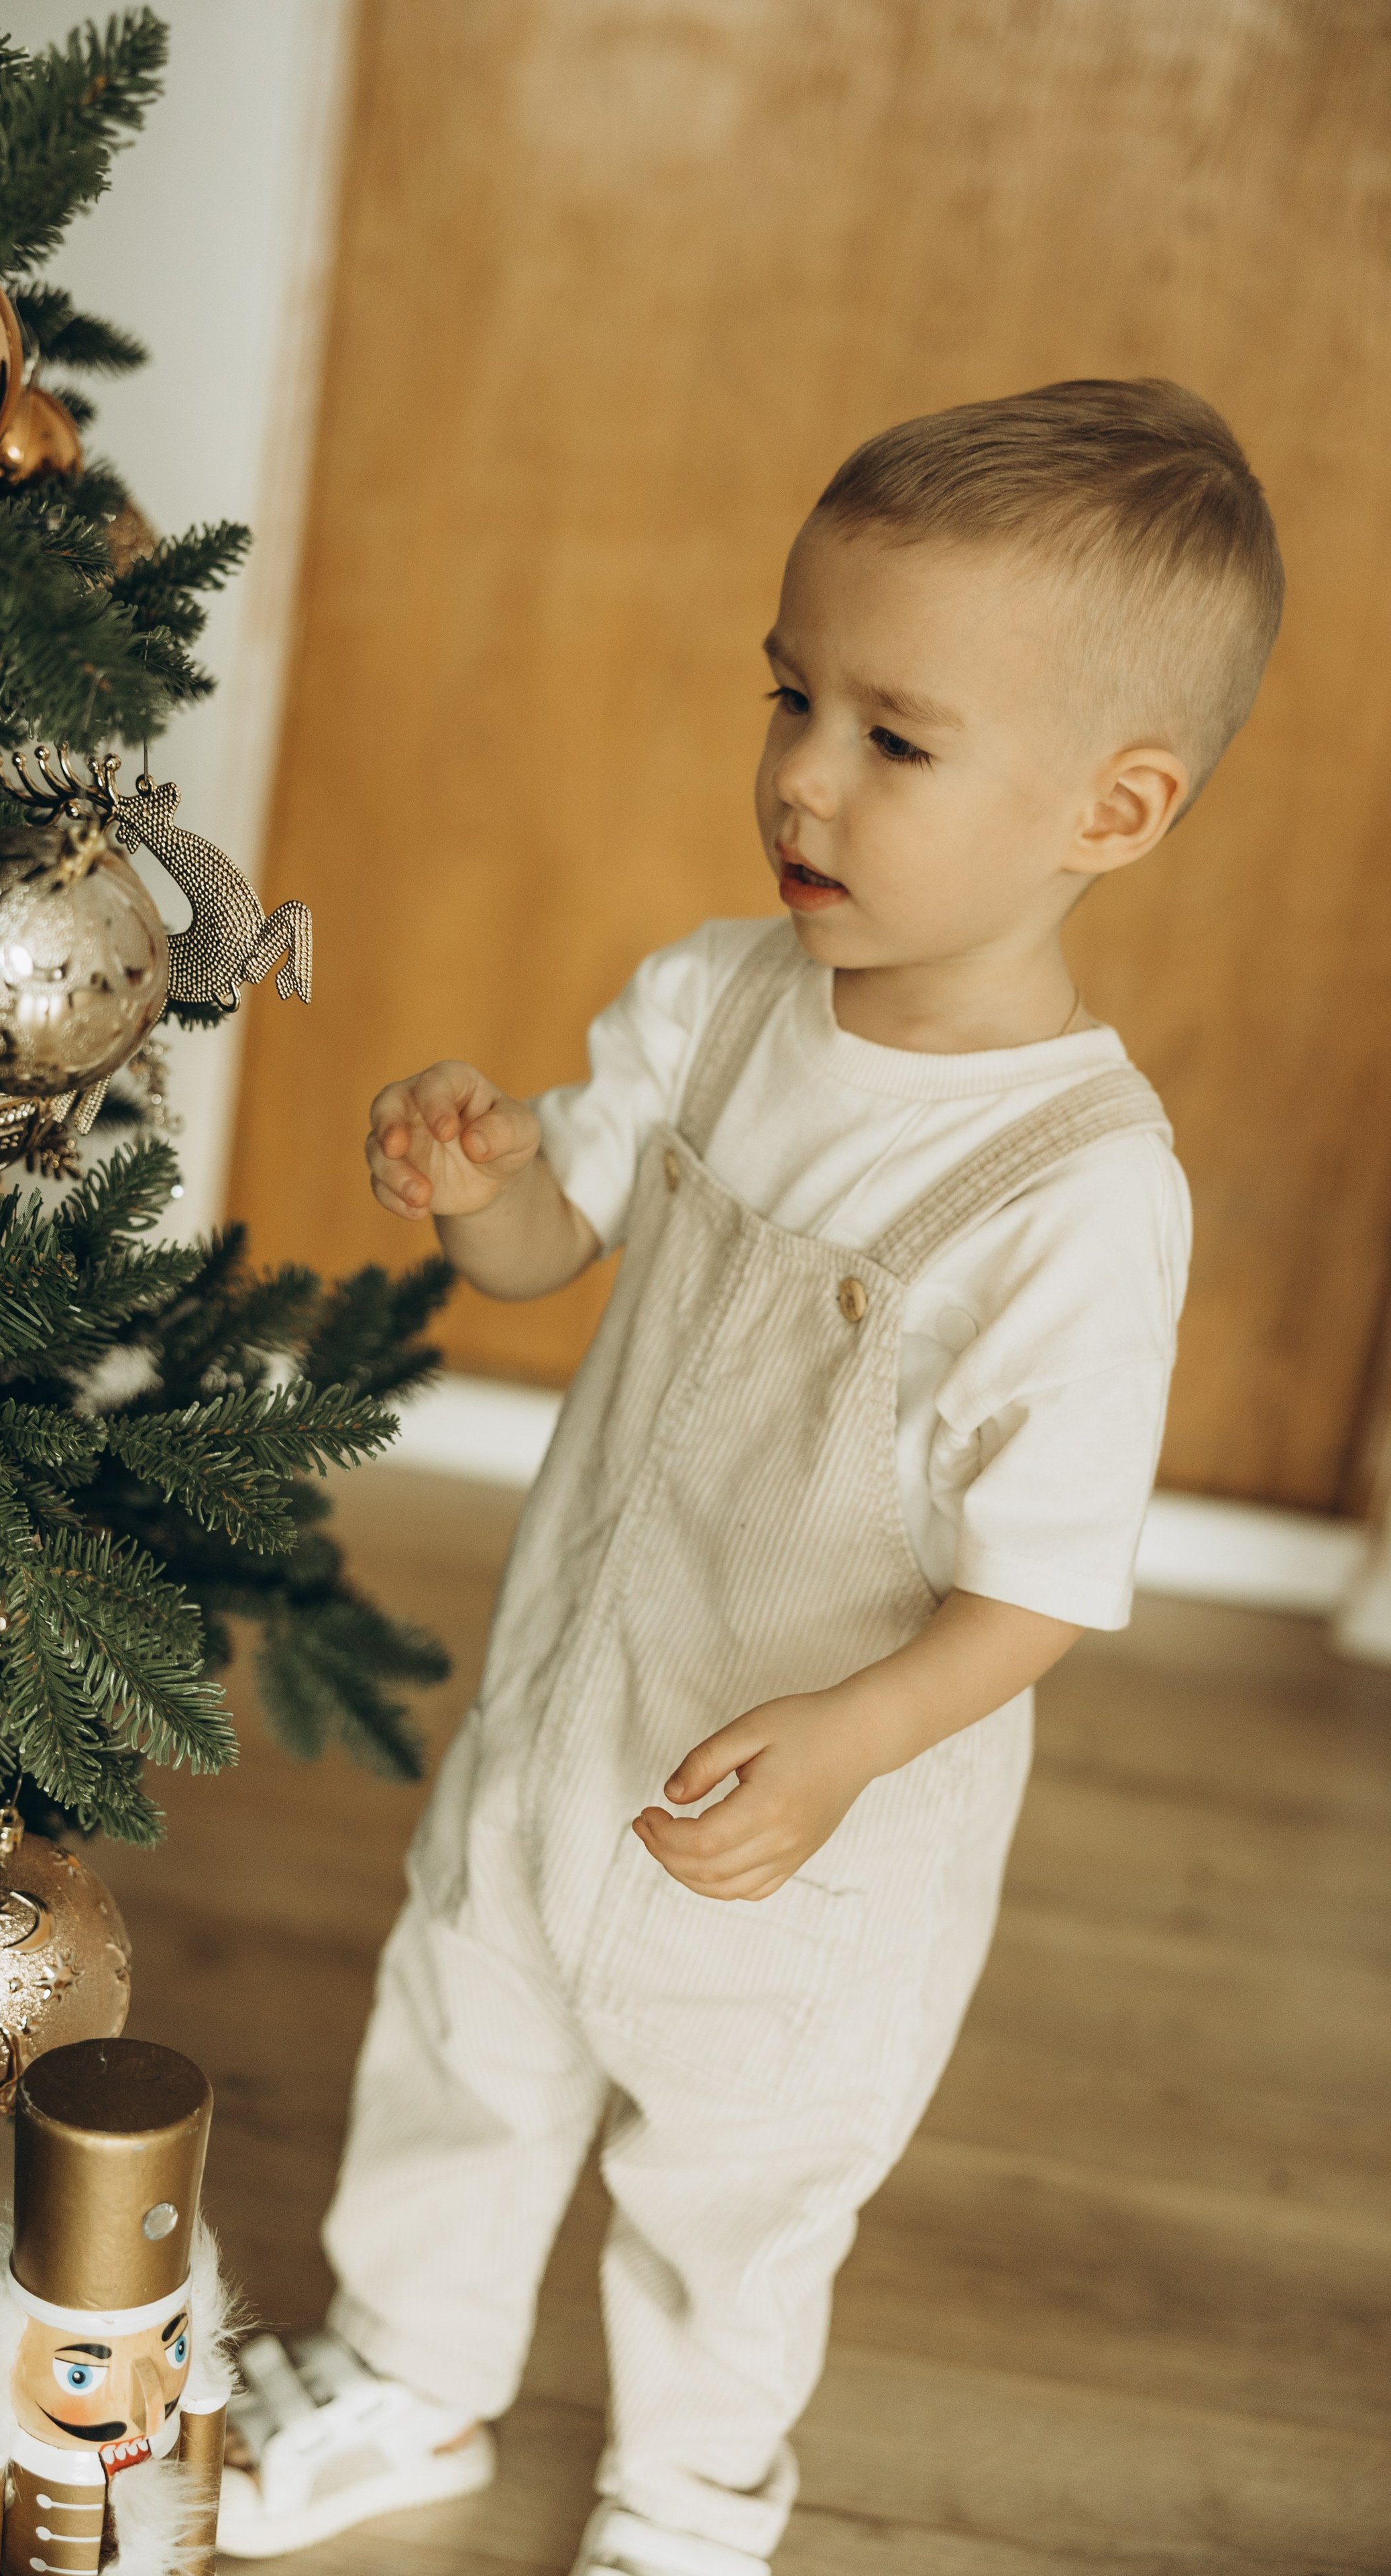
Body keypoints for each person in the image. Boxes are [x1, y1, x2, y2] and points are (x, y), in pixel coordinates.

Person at [214, 378, 1282, 2576]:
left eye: (895, 738)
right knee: (463, 2037)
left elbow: (1051, 1581)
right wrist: (484, 1185)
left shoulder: (1073, 1196)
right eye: (791, 694)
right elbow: (556, 1243)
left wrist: (852, 1744)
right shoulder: (713, 1003)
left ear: (1119, 804)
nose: (799, 771)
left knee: (740, 2177)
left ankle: (693, 2498)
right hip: (568, 1713)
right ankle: (415, 2375)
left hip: (807, 1833)